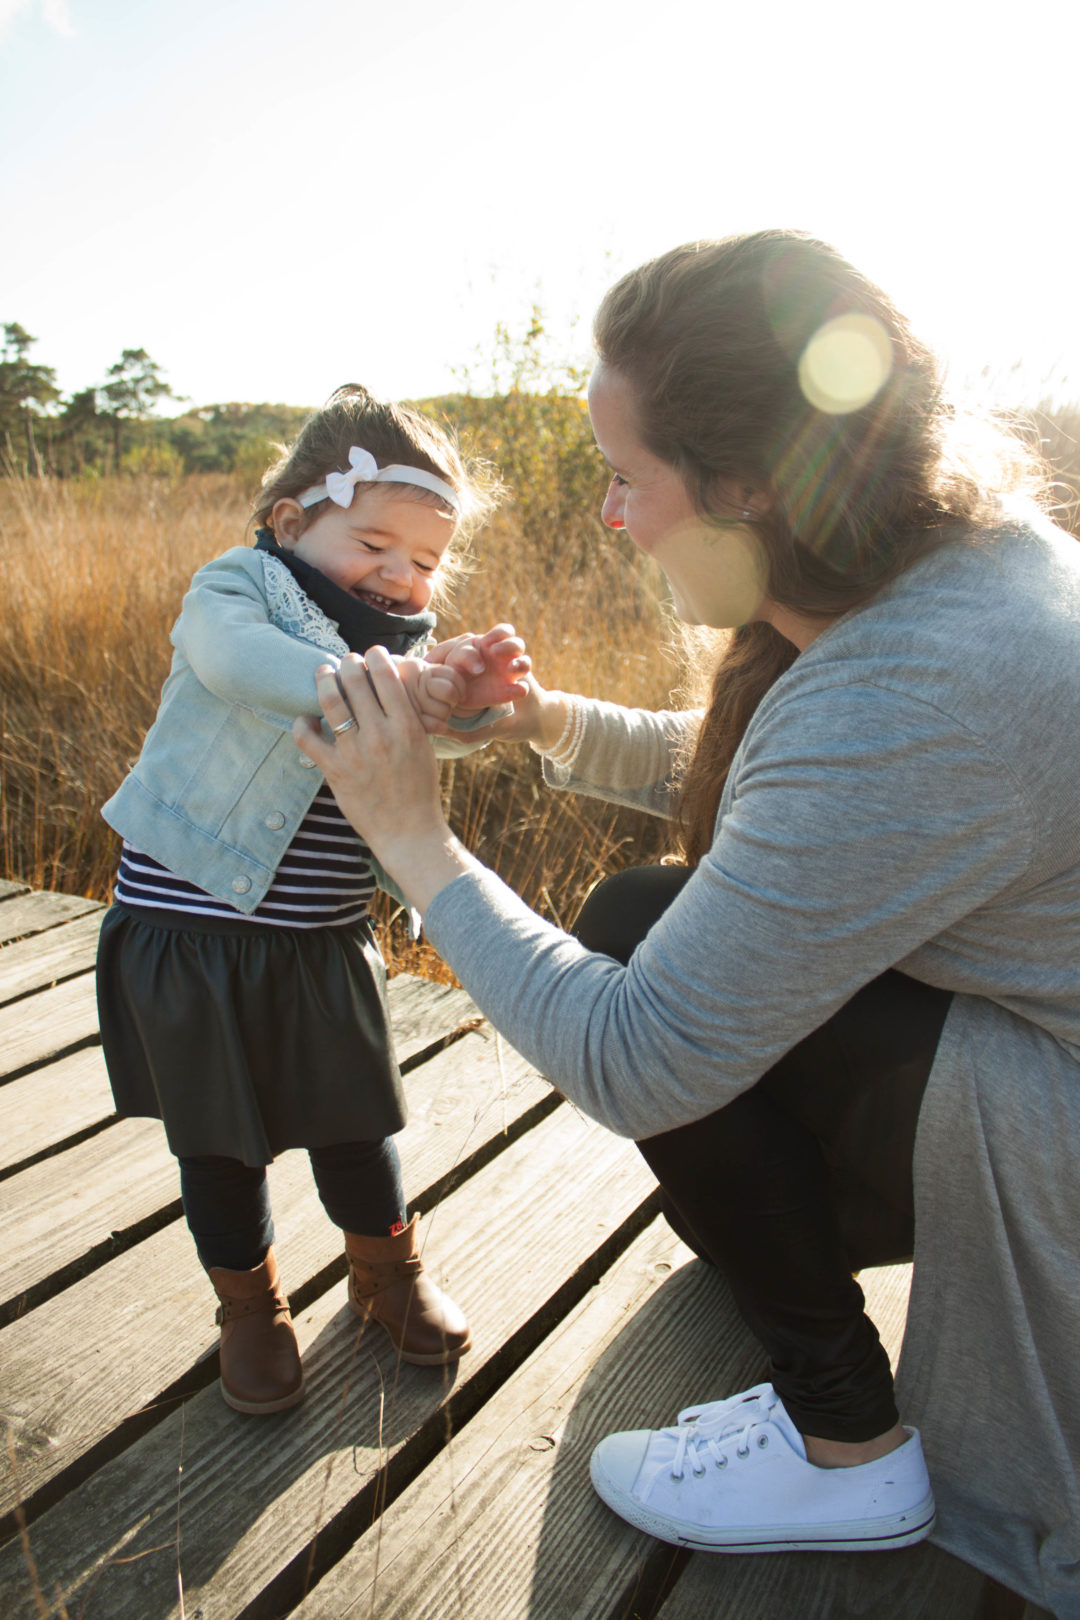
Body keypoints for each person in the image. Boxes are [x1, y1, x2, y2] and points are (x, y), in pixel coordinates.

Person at [295, 237, 1080, 1616]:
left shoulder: (917, 684)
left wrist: (410, 836)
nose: (610, 516)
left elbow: (643, 1060)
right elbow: (816, 794)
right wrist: (541, 722)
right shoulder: (965, 567)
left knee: (633, 953)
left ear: (744, 490)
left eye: (624, 477)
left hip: (1057, 1135)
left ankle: (848, 1448)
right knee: (646, 910)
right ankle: (805, 1286)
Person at [96, 384, 529, 1415]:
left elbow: (442, 735)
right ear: (294, 520)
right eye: (374, 543)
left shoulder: (404, 654)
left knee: (355, 1125)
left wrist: (464, 699)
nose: (400, 575)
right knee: (218, 1141)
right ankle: (249, 1304)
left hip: (321, 942)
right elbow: (234, 664)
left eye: (425, 562)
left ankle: (388, 1274)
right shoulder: (237, 588)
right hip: (187, 930)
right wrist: (390, 680)